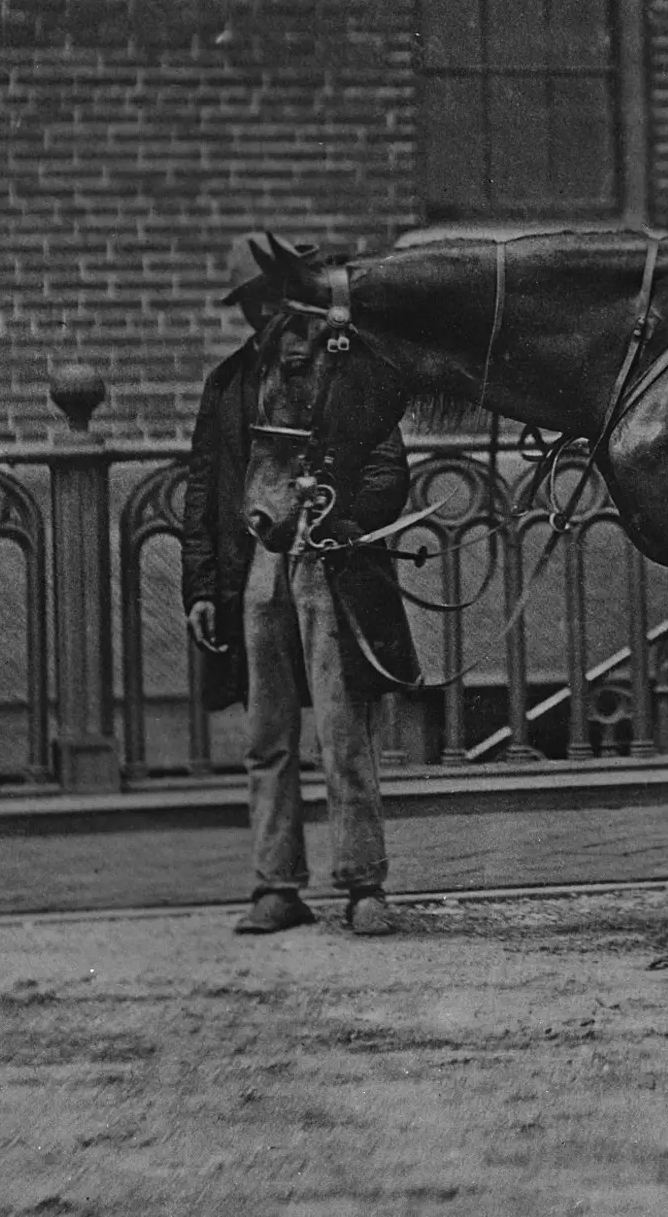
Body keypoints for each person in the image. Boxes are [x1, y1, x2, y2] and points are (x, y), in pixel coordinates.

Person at [181, 233, 421, 937]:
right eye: (249, 303)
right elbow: (204, 490)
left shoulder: (343, 370)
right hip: (256, 570)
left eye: (269, 297)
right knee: (267, 735)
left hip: (329, 570)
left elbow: (387, 472)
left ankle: (363, 885)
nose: (262, 313)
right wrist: (201, 584)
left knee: (344, 731)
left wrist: (342, 518)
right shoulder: (227, 384)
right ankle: (276, 885)